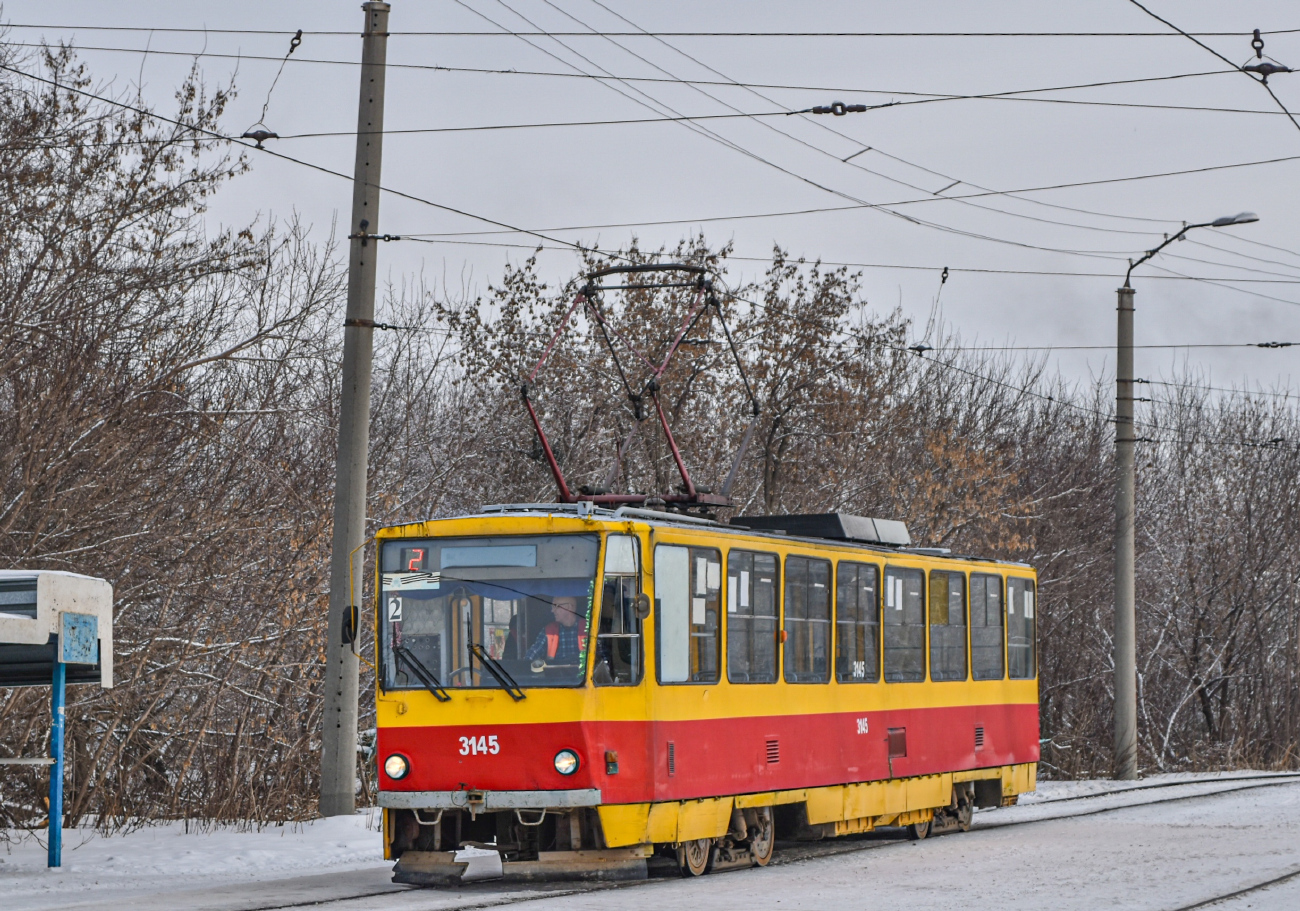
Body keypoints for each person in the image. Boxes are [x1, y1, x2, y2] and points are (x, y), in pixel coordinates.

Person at [526, 595, 588, 666]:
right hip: (555, 675)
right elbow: (533, 653)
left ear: (569, 607)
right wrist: (525, 664)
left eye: (556, 606)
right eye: (552, 607)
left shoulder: (589, 628)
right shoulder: (549, 630)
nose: (552, 611)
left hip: (583, 675)